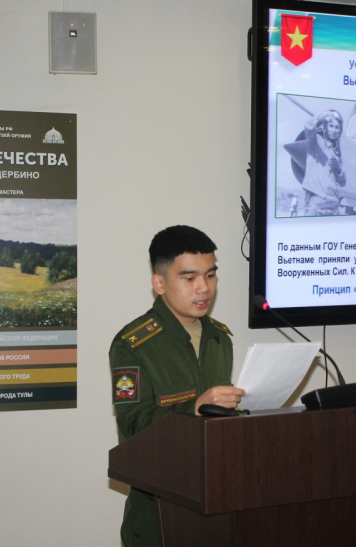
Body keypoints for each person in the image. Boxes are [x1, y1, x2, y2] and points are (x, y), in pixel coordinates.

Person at [109, 225, 245, 547]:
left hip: (217, 504)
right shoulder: (132, 345)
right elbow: (133, 422)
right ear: (159, 283)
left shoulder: (219, 338)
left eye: (210, 275)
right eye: (189, 278)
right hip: (159, 513)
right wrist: (193, 408)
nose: (204, 288)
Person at [302, 110, 346, 216]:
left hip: (334, 206)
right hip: (316, 205)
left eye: (337, 127)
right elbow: (308, 127)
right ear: (325, 127)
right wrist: (322, 117)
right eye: (331, 126)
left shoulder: (338, 152)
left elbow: (343, 182)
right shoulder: (315, 142)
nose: (334, 130)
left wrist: (338, 168)